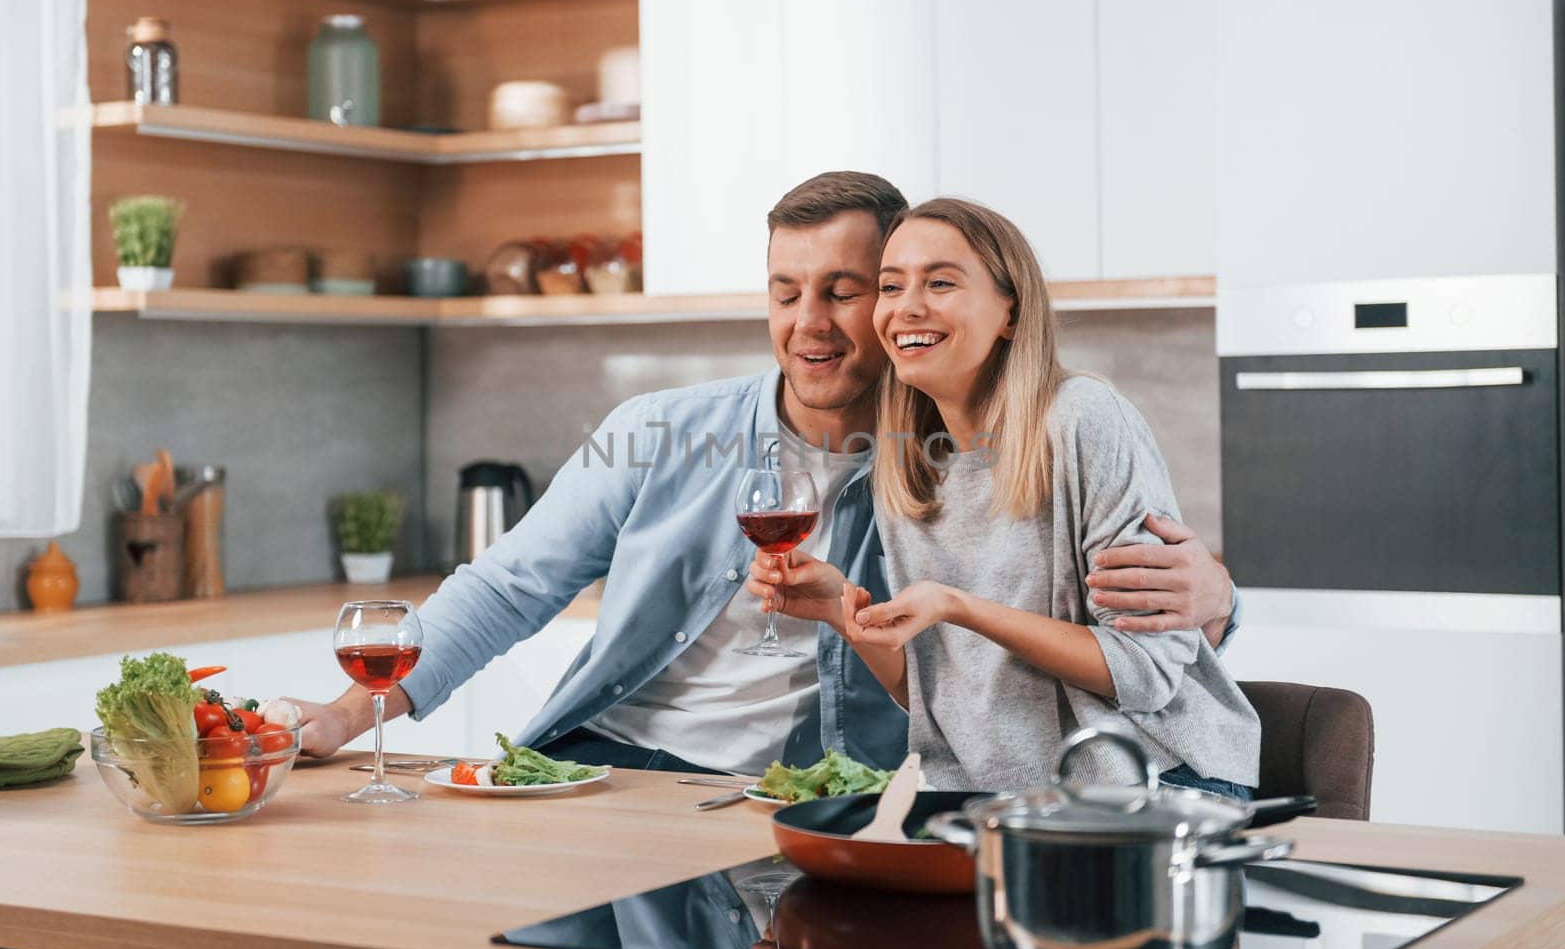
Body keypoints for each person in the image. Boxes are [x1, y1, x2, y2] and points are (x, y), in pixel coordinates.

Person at [291, 173, 1239, 778]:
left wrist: (1219, 598)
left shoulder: (950, 467)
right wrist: (344, 716)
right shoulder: (662, 430)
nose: (810, 324)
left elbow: (1101, 631)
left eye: (845, 290)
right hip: (606, 768)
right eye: (786, 293)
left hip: (796, 803)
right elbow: (506, 588)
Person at [750, 197, 1259, 798]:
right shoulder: (906, 461)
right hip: (986, 798)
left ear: (1010, 313)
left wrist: (958, 607)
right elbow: (937, 698)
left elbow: (1145, 673)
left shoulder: (1082, 420)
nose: (907, 306)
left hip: (1150, 785)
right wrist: (844, 611)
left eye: (940, 282)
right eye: (891, 286)